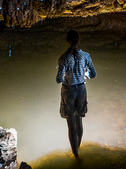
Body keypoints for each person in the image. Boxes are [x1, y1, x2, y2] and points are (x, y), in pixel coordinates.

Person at [56, 29, 96, 158]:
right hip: (81, 89)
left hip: (69, 90)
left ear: (68, 41)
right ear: (78, 40)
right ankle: (79, 147)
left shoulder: (64, 58)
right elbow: (93, 74)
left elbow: (58, 80)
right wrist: (85, 74)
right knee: (79, 120)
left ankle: (75, 154)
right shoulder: (86, 56)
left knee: (71, 124)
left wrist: (64, 75)